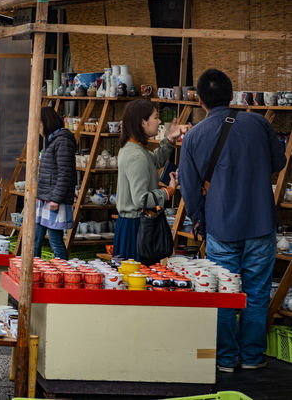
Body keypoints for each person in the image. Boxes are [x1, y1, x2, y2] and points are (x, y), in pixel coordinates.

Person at [179, 69, 287, 373]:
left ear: (200, 101)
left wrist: (200, 219)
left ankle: (225, 358)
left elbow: (189, 189)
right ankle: (252, 356)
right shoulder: (258, 123)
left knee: (225, 293)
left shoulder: (195, 136)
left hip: (221, 226)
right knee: (255, 293)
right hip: (261, 223)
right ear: (232, 94)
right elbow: (279, 162)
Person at [114, 99, 189, 263]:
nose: (159, 121)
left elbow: (154, 161)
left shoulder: (134, 148)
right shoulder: (136, 155)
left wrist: (170, 139)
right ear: (143, 122)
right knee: (138, 280)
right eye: (156, 117)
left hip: (131, 224)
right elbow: (141, 199)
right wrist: (168, 191)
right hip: (136, 227)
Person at [35, 107, 76, 259]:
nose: (38, 129)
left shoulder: (62, 141)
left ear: (46, 123)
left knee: (55, 240)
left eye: (38, 124)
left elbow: (65, 173)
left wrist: (56, 198)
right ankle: (34, 270)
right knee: (35, 239)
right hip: (45, 196)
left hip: (53, 199)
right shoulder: (51, 140)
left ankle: (64, 271)